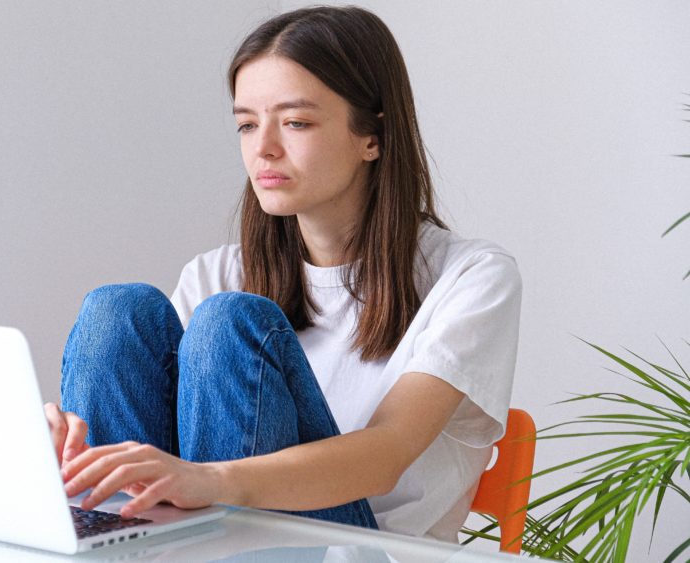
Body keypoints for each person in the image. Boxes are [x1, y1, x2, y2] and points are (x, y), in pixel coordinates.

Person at [44, 5, 522, 542]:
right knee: (117, 311)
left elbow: (387, 454)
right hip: (195, 544)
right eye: (248, 124)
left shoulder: (472, 276)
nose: (263, 148)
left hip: (361, 551)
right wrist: (58, 446)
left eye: (295, 122)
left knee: (230, 322)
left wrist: (209, 480)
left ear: (372, 136)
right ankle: (102, 539)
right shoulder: (218, 271)